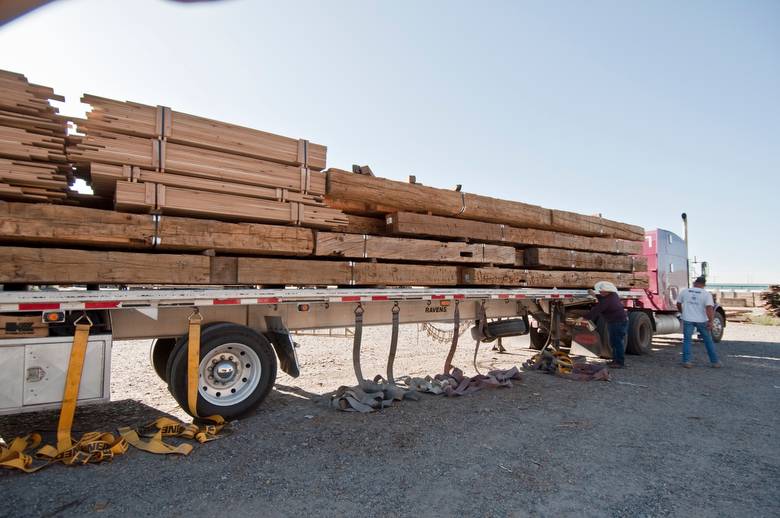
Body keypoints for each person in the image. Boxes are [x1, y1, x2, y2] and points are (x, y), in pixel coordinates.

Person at [578, 281, 628, 368]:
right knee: (615, 342)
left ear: (607, 291)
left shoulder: (607, 301)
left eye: (602, 291)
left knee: (616, 342)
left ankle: (619, 362)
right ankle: (616, 360)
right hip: (618, 321)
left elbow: (596, 310)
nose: (600, 292)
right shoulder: (612, 295)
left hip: (617, 322)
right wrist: (594, 294)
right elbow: (602, 298)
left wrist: (583, 318)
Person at [677, 276, 721, 368]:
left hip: (688, 319)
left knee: (687, 340)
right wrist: (711, 321)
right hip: (702, 320)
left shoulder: (685, 291)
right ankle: (715, 362)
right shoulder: (706, 294)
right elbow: (709, 308)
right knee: (708, 341)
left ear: (695, 283)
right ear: (704, 285)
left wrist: (682, 312)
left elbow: (678, 303)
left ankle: (687, 361)